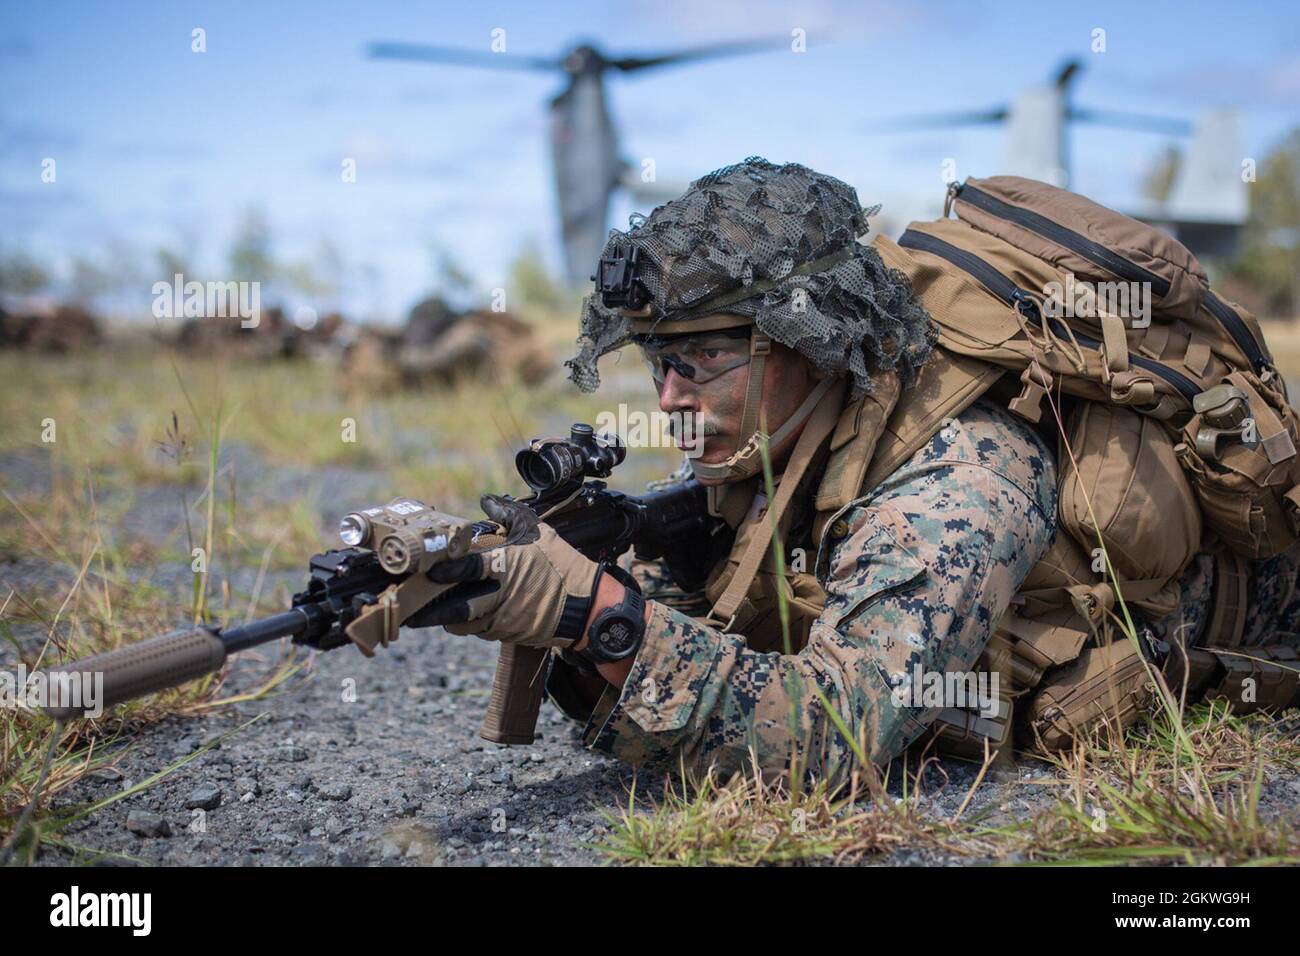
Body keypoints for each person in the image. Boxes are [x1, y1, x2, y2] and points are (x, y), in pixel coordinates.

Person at [408, 157, 1300, 786]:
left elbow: (831, 739)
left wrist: (590, 615)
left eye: (706, 359)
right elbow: (703, 651)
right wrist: (550, 597)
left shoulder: (963, 475)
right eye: (657, 363)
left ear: (814, 343)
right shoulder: (768, 445)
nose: (670, 398)